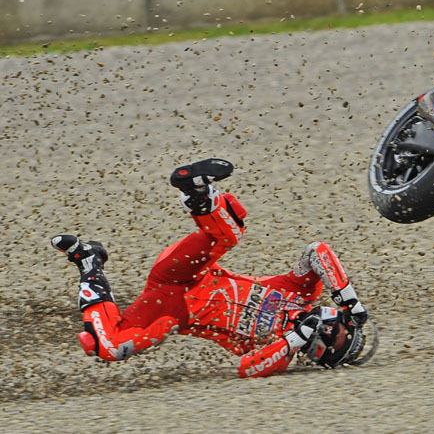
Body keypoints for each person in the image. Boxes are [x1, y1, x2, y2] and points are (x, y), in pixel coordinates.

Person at [51, 158, 372, 378]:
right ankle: (199, 193)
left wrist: (296, 337)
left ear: (325, 351)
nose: (338, 330)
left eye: (343, 338)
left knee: (107, 346)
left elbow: (247, 368)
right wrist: (348, 298)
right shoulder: (303, 293)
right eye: (346, 329)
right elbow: (317, 252)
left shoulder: (280, 354)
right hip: (187, 273)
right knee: (226, 235)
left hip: (171, 309)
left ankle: (88, 260)